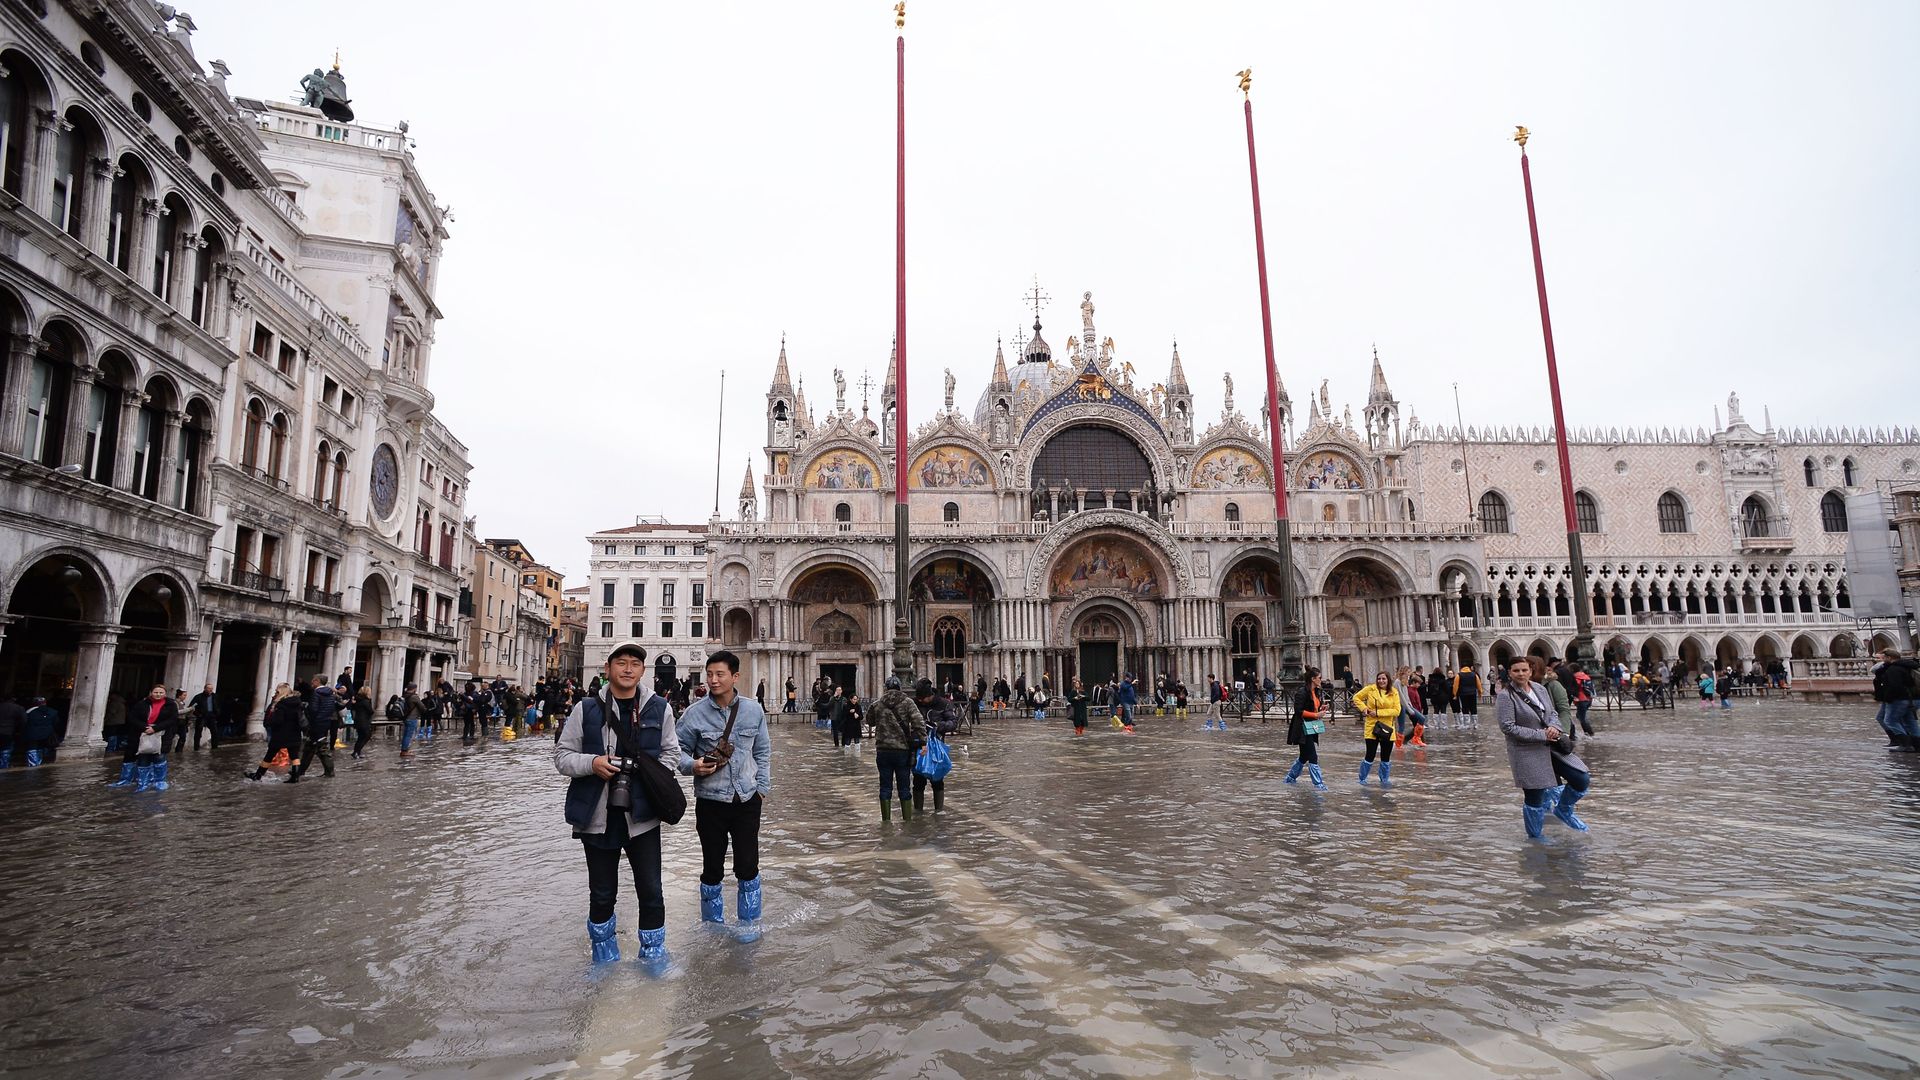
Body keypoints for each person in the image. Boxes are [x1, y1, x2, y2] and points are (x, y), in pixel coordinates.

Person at [554, 641, 681, 964]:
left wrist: (649, 775)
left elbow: (672, 754)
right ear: (607, 668)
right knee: (601, 893)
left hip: (643, 815)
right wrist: (593, 764)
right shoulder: (586, 708)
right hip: (596, 815)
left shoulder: (659, 708)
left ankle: (653, 957)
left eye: (635, 664)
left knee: (651, 891)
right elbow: (562, 757)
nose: (628, 669)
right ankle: (603, 957)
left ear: (642, 670)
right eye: (621, 663)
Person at [678, 650, 771, 941]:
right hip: (710, 801)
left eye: (719, 674)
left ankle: (749, 924)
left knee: (747, 863)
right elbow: (673, 752)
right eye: (709, 674)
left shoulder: (753, 710)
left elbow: (763, 751)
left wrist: (762, 789)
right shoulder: (693, 714)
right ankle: (713, 925)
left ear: (735, 677)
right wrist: (691, 765)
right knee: (711, 865)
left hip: (746, 799)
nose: (713, 680)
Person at [1498, 657, 1592, 839]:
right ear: (1509, 673)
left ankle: (1563, 811)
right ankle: (1535, 837)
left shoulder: (1540, 689)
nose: (1520, 674)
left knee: (1581, 778)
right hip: (1526, 752)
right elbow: (1507, 727)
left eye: (1524, 670)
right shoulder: (1505, 696)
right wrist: (1541, 734)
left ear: (1530, 671)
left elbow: (1553, 713)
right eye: (1516, 670)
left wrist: (1555, 727)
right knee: (1535, 796)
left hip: (1552, 746)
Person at [867, 676, 921, 821]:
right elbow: (919, 722)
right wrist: (922, 743)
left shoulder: (877, 704)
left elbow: (869, 721)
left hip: (883, 751)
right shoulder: (908, 703)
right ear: (900, 688)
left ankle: (886, 821)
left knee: (885, 787)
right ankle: (907, 821)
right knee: (904, 787)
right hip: (902, 751)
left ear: (886, 688)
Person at [911, 678, 960, 812]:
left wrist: (938, 726)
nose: (920, 700)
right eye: (918, 698)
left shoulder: (944, 704)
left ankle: (938, 812)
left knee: (937, 780)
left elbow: (953, 723)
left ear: (929, 696)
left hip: (937, 748)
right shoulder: (914, 703)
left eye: (922, 698)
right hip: (918, 747)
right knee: (918, 780)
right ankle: (918, 812)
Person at [1352, 671, 1401, 786]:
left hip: (1387, 728)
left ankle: (1384, 779)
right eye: (1379, 679)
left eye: (1384, 679)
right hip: (1372, 727)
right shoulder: (1370, 689)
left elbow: (1396, 710)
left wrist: (1379, 712)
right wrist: (1364, 709)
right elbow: (1356, 697)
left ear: (1388, 680)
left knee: (1385, 756)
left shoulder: (1394, 692)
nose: (1381, 681)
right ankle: (1362, 778)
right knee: (1370, 754)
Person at [248, 684, 304, 781]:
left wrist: (271, 721)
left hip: (281, 734)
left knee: (269, 755)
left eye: (277, 692)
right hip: (295, 733)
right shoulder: (297, 703)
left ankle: (258, 775)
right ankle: (295, 777)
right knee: (294, 756)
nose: (275, 694)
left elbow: (278, 720)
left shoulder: (281, 704)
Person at [1285, 667, 1328, 789]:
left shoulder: (1316, 692)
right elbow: (1298, 710)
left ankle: (1290, 778)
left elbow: (1313, 707)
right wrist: (1316, 714)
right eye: (1319, 678)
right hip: (1302, 728)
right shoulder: (1302, 692)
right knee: (1313, 756)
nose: (1321, 680)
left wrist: (1321, 709)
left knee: (1304, 756)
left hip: (1311, 726)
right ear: (1313, 679)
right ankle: (1318, 784)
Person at [291, 675, 339, 782]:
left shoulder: (316, 693)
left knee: (322, 748)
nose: (311, 682)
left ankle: (329, 772)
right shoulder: (330, 693)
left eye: (313, 680)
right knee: (309, 748)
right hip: (324, 722)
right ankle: (300, 771)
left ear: (317, 681)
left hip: (316, 724)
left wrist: (304, 707)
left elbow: (313, 709)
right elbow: (334, 706)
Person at [1871, 649, 1920, 752]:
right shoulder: (1908, 666)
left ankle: (1905, 744)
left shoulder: (1893, 669)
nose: (1882, 661)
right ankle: (1916, 744)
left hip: (1900, 699)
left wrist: (1888, 698)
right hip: (1915, 698)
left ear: (1889, 658)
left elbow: (1895, 686)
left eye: (1883, 658)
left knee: (1890, 720)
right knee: (1910, 721)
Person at [189, 683, 220, 750]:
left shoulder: (215, 696)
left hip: (212, 716)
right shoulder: (198, 697)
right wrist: (198, 714)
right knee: (198, 733)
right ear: (205, 688)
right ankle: (196, 748)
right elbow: (191, 707)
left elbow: (218, 705)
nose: (210, 690)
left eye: (211, 688)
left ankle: (215, 748)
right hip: (202, 716)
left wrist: (217, 713)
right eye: (209, 688)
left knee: (215, 732)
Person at [351, 684, 376, 759]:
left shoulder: (357, 700)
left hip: (358, 720)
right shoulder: (365, 701)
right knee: (366, 736)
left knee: (361, 737)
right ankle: (356, 752)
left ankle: (356, 752)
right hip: (364, 721)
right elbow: (370, 711)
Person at [0, 693, 20, 768]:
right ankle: (3, 765)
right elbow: (23, 720)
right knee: (6, 748)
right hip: (8, 731)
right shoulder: (17, 708)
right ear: (13, 699)